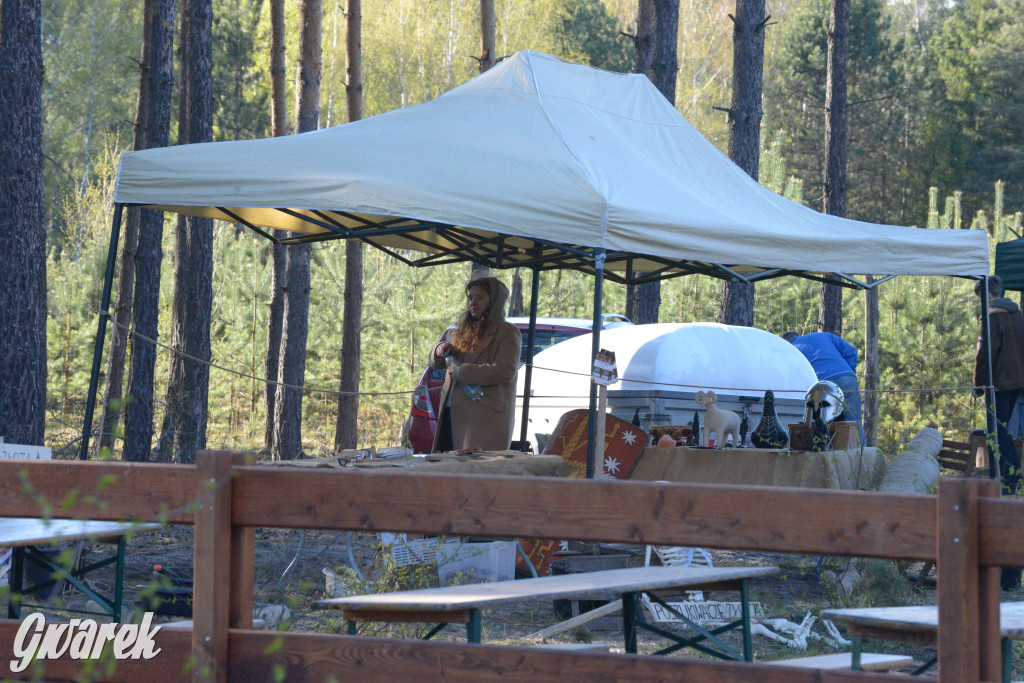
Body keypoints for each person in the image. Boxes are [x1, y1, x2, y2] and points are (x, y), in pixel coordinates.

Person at [429, 276, 522, 453]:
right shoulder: (460, 331)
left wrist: (464, 373)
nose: (473, 302)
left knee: (474, 472)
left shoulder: (507, 332)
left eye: (480, 297)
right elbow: (440, 364)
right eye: (470, 297)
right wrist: (440, 351)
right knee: (448, 469)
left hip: (483, 415)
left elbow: (505, 370)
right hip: (452, 411)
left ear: (494, 300)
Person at [973, 275, 1024, 496]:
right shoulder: (1018, 315)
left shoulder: (991, 317)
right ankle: (1008, 476)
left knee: (998, 432)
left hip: (1000, 384)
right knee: (1003, 430)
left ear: (986, 295)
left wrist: (978, 384)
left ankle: (1012, 477)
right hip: (1019, 382)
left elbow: (984, 354)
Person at [782, 330, 862, 432]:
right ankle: (860, 447)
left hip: (824, 385)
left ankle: (831, 446)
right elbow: (852, 351)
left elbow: (795, 377)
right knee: (854, 422)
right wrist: (848, 373)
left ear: (786, 342)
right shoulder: (824, 335)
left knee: (825, 425)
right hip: (847, 378)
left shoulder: (792, 350)